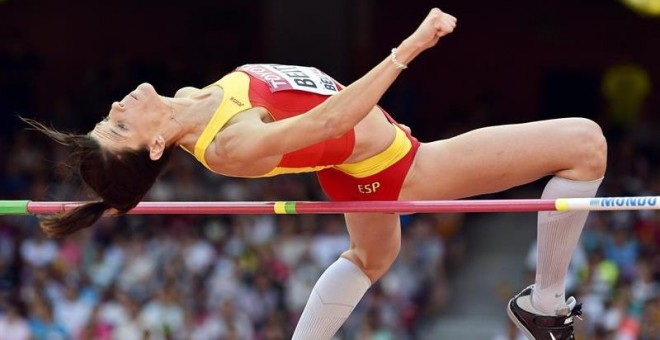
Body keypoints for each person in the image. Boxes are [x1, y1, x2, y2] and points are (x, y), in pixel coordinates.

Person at [23, 7, 606, 340]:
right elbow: (333, 115)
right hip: (398, 168)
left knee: (372, 258)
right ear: (154, 145)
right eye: (119, 126)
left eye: (108, 118)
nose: (118, 108)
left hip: (355, 168)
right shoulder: (229, 145)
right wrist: (411, 47)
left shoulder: (185, 98)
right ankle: (545, 305)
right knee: (586, 144)